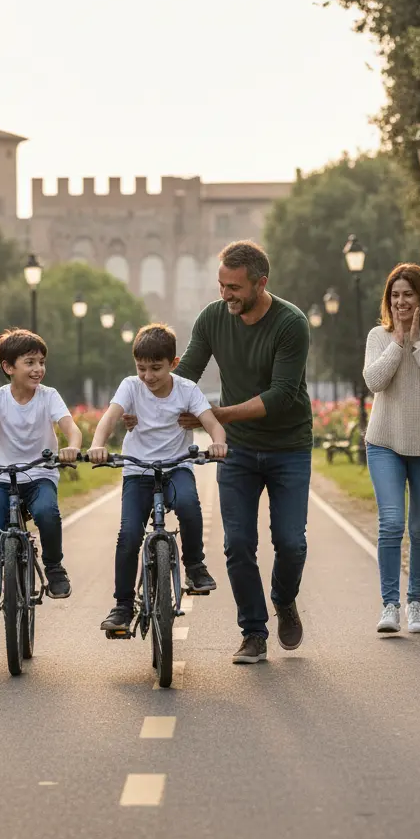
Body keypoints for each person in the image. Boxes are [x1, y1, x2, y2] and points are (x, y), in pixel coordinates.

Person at [132, 240, 312, 664]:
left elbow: (283, 394)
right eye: (221, 285)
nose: (225, 294)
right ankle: (253, 632)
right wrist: (139, 403)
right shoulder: (213, 318)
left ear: (259, 283)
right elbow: (186, 374)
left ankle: (284, 600)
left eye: (233, 287)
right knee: (237, 545)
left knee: (291, 543)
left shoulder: (291, 323)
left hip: (288, 446)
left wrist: (216, 417)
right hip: (240, 453)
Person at [87, 323, 228, 631]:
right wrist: (98, 445)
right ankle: (122, 605)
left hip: (176, 467)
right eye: (141, 368)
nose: (148, 376)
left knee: (190, 504)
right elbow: (109, 418)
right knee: (128, 536)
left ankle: (194, 566)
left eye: (156, 368)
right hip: (138, 470)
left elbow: (212, 423)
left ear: (173, 364)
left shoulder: (187, 389)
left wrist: (218, 442)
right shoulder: (130, 386)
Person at [0, 328, 82, 624]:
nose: (38, 369)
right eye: (30, 362)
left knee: (47, 512)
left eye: (41, 362)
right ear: (9, 367)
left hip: (39, 476)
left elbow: (71, 427)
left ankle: (55, 567)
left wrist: (72, 447)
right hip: (3, 479)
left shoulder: (49, 397)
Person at [362, 263, 420, 635]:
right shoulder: (378, 336)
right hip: (385, 441)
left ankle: (415, 602)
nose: (400, 301)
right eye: (395, 295)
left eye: (408, 294)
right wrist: (399, 342)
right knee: (390, 524)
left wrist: (417, 345)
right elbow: (374, 380)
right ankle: (390, 605)